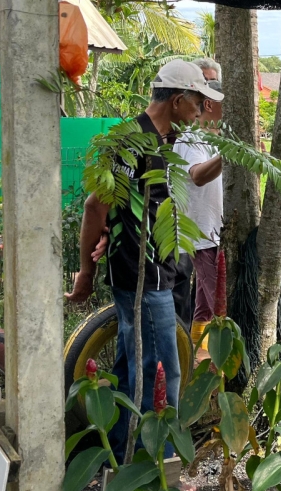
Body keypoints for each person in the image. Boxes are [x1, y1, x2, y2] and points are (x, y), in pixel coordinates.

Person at [66, 59, 223, 459]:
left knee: (131, 366)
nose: (201, 109)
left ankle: (123, 454)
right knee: (161, 373)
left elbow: (131, 205)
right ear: (177, 100)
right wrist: (86, 271)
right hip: (143, 275)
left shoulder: (163, 139)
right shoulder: (133, 142)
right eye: (197, 101)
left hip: (151, 271)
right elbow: (96, 205)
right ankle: (156, 467)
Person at [174, 66, 223, 359]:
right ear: (209, 104)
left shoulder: (216, 137)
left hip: (214, 231)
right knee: (214, 301)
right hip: (200, 233)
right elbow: (197, 175)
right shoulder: (192, 138)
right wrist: (228, 154)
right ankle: (208, 361)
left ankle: (195, 357)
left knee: (204, 302)